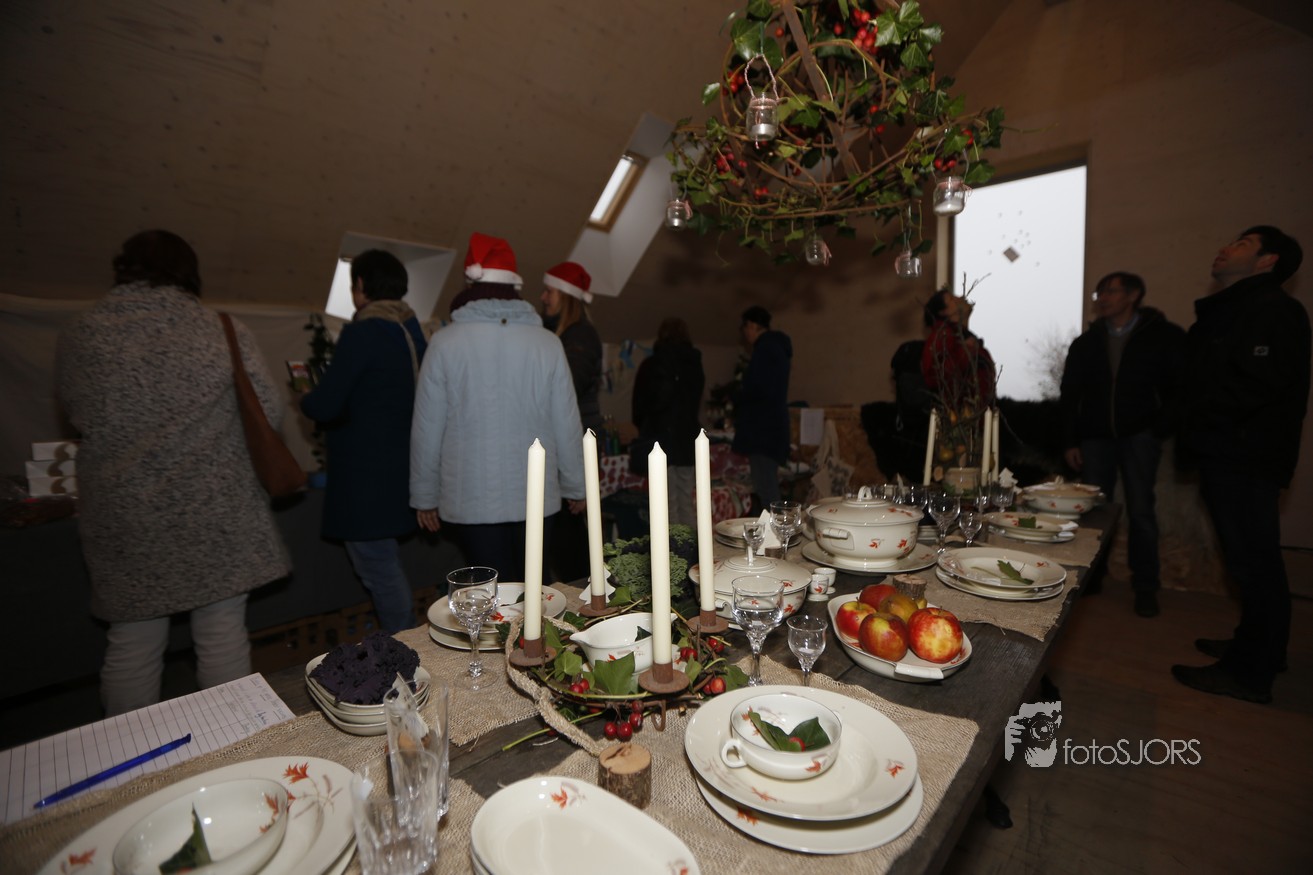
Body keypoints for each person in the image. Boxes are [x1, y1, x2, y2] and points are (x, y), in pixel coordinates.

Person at [56, 230, 290, 715]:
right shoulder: (220, 329)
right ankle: (232, 744)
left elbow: (76, 413)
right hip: (214, 508)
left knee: (133, 643)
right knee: (222, 632)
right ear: (188, 272)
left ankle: (130, 755)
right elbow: (267, 411)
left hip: (124, 512)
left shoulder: (82, 332)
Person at [1173, 226, 1309, 704]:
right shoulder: (1239, 309)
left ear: (1268, 261)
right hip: (1230, 452)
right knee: (1248, 562)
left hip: (1245, 456)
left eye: (1243, 243)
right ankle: (1261, 648)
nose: (1225, 247)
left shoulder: (1272, 310)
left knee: (1255, 564)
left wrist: (1193, 416)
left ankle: (1250, 673)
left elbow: (1253, 388)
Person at [411, 233, 586, 582]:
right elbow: (566, 421)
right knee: (533, 592)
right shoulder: (547, 343)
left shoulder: (444, 343)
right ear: (514, 286)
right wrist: (576, 486)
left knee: (489, 594)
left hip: (471, 497)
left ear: (470, 283)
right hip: (537, 495)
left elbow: (427, 426)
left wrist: (424, 495)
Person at [300, 250, 427, 634]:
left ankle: (405, 646)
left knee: (378, 569)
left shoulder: (363, 332)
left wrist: (306, 396)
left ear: (360, 285)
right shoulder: (411, 331)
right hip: (403, 467)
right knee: (386, 564)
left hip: (366, 477)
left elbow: (327, 405)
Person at [1060, 272, 1186, 619]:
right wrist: (1071, 440)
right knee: (1095, 512)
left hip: (1140, 436)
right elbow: (1070, 395)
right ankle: (1092, 578)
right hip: (1095, 438)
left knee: (1141, 510)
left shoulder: (1163, 336)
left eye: (1111, 291)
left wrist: (1158, 428)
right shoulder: (1086, 343)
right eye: (1099, 292)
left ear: (1133, 295)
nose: (1102, 297)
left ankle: (1145, 586)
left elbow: (1180, 388)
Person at [541, 261, 602, 581]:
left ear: (566, 296)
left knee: (569, 541)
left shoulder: (580, 336)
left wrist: (576, 477)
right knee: (563, 537)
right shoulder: (559, 334)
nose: (543, 297)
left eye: (549, 291)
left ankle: (582, 593)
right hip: (566, 442)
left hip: (577, 442)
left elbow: (567, 392)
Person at [631, 317, 705, 527]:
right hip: (688, 440)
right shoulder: (695, 364)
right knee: (686, 502)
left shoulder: (652, 365)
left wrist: (644, 426)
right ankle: (691, 546)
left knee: (666, 504)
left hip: (660, 439)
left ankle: (673, 547)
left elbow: (642, 404)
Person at [731, 305, 792, 509]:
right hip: (771, 429)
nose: (744, 334)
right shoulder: (776, 348)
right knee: (767, 487)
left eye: (745, 328)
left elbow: (758, 390)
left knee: (766, 490)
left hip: (762, 431)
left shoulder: (765, 349)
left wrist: (738, 394)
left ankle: (777, 526)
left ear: (752, 326)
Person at [921, 289, 996, 415]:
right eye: (952, 298)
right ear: (944, 312)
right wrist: (966, 352)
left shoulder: (967, 340)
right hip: (957, 420)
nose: (960, 297)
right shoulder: (943, 336)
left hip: (974, 418)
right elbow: (935, 376)